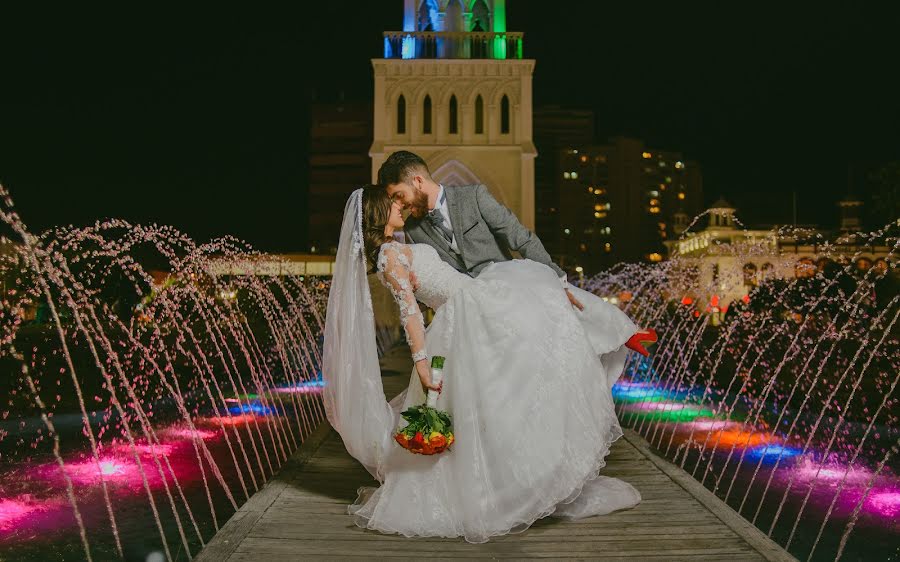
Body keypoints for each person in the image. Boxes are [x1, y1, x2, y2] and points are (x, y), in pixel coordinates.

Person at [321, 184, 650, 543]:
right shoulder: (389, 256)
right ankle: (508, 485)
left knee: (527, 341)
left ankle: (617, 332)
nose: (400, 205)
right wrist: (421, 365)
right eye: (392, 203)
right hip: (465, 316)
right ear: (376, 214)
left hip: (473, 303)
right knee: (515, 368)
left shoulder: (396, 248)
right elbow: (410, 313)